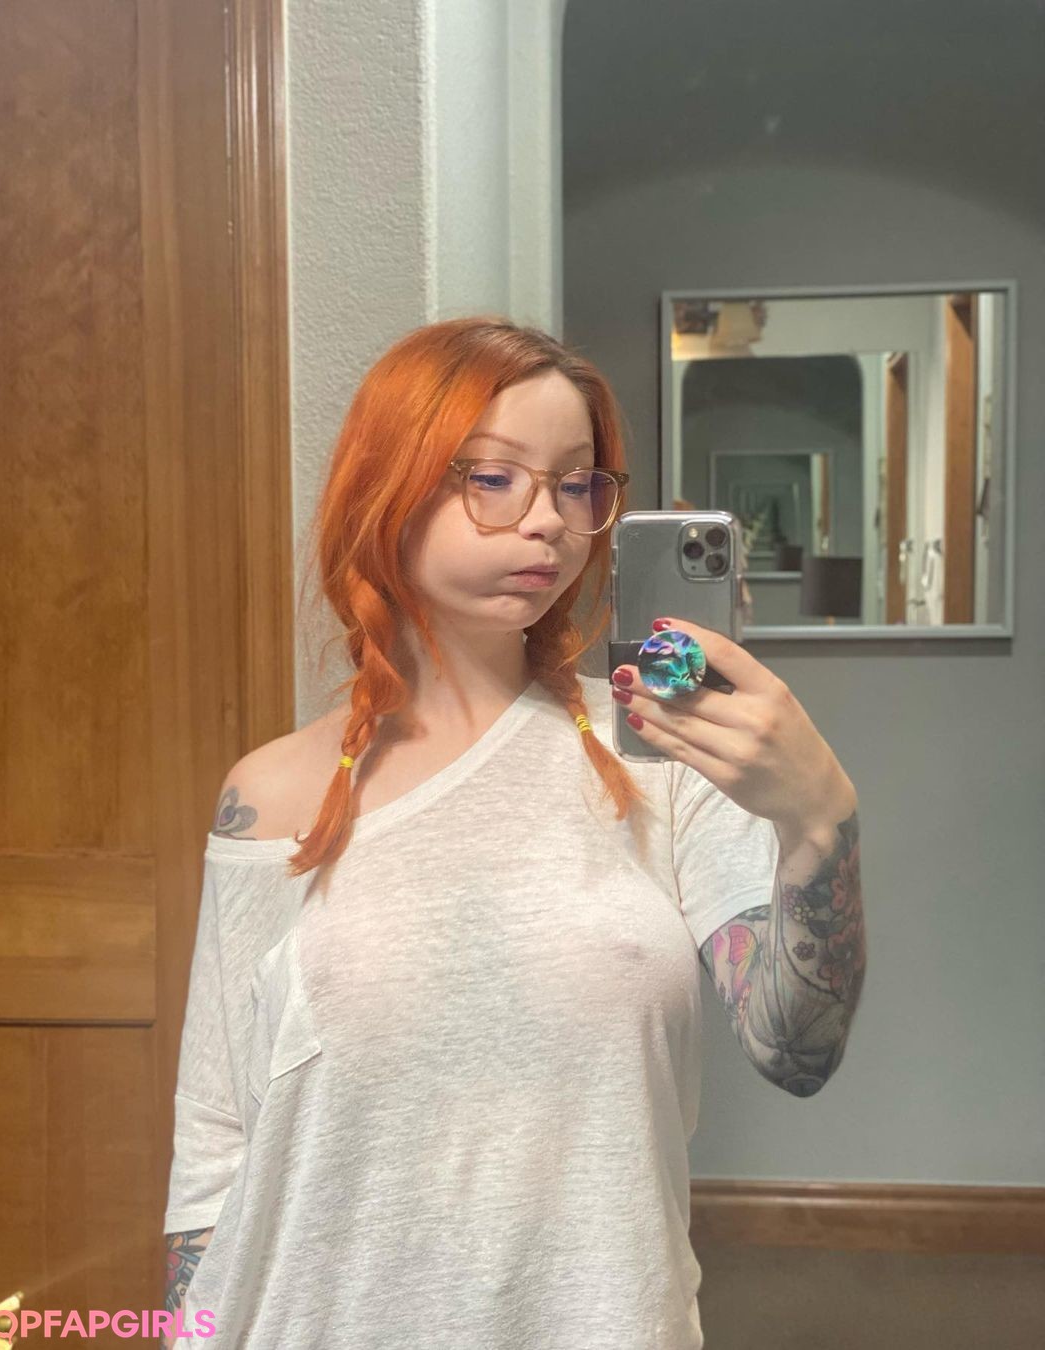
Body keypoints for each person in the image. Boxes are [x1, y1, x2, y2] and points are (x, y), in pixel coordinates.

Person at [161, 316, 864, 1349]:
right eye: (494, 478)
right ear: (386, 486)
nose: (549, 522)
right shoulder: (270, 795)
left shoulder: (660, 753)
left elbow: (793, 1049)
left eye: (577, 485)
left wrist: (819, 821)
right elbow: (215, 1148)